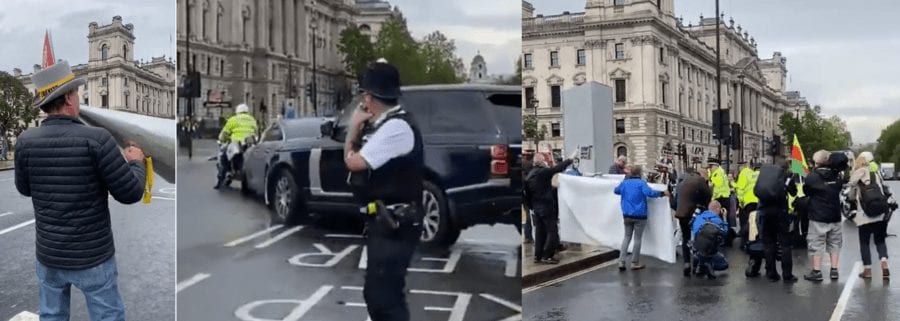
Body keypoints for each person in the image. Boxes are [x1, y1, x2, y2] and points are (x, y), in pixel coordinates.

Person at [15, 60, 146, 320]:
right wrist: (136, 163)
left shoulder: (25, 141)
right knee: (107, 316)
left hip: (49, 254)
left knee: (51, 316)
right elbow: (130, 193)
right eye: (76, 92)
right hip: (93, 256)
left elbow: (25, 189)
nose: (79, 98)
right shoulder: (97, 139)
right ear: (67, 99)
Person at [342, 61, 422, 321]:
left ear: (369, 97)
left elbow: (353, 162)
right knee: (379, 295)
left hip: (395, 223)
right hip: (386, 222)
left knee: (384, 300)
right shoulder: (387, 125)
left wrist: (353, 127)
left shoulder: (395, 127)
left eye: (364, 96)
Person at [750, 159, 799, 282]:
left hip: (765, 211)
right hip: (780, 212)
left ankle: (771, 273)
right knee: (785, 244)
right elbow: (793, 192)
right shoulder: (787, 176)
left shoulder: (765, 175)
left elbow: (757, 190)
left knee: (768, 243)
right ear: (786, 168)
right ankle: (787, 275)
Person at [614, 165, 670, 270]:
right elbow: (649, 193)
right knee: (637, 239)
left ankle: (621, 261)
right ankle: (634, 262)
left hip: (627, 214)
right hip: (640, 215)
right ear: (639, 173)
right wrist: (662, 193)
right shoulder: (641, 183)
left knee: (626, 237)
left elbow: (616, 191)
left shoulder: (625, 183)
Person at [525, 151, 577, 264]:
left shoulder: (529, 175)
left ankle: (538, 256)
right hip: (546, 206)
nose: (547, 162)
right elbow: (557, 169)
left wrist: (531, 206)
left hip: (536, 207)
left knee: (540, 231)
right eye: (545, 160)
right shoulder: (543, 172)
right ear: (542, 162)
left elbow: (527, 193)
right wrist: (569, 160)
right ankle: (547, 255)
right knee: (552, 230)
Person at [803, 150, 846, 282]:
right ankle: (834, 270)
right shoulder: (837, 176)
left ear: (816, 162)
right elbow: (839, 188)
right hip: (834, 214)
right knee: (835, 242)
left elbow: (807, 191)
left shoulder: (812, 177)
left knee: (816, 243)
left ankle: (817, 271)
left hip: (818, 215)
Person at [849, 155, 891, 279]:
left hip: (864, 215)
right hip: (880, 213)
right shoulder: (875, 175)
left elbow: (851, 197)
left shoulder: (855, 178)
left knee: (864, 243)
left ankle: (867, 271)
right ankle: (884, 262)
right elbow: (883, 190)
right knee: (880, 240)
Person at [675, 167, 713, 276]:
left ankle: (687, 262)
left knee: (685, 237)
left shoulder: (681, 182)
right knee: (699, 237)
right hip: (695, 212)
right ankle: (698, 264)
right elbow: (708, 195)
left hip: (682, 213)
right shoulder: (699, 180)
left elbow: (675, 200)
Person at [215, 103, 257, 189]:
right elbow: (256, 132)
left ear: (237, 111)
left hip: (236, 144)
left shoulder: (233, 119)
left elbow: (224, 133)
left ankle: (221, 177)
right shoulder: (252, 120)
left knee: (224, 157)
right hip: (250, 145)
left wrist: (221, 139)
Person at [691, 201, 730, 279]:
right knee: (724, 265)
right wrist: (725, 217)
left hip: (697, 248)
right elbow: (725, 233)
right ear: (718, 209)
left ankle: (699, 262)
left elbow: (693, 230)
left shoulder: (699, 217)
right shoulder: (717, 220)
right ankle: (707, 264)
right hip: (710, 250)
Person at [733, 161, 760, 250]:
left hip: (747, 201)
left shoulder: (743, 173)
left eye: (739, 167)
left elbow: (740, 189)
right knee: (753, 222)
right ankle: (753, 241)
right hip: (756, 200)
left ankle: (744, 243)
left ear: (742, 166)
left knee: (745, 222)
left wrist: (740, 202)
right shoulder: (752, 173)